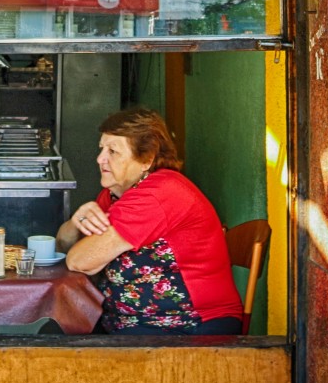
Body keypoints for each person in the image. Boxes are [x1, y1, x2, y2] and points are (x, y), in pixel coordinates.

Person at [57, 107, 243, 335]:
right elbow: (64, 248)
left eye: (112, 151)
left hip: (186, 325)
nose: (100, 159)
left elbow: (81, 261)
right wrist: (77, 221)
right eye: (101, 149)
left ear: (146, 159)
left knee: (56, 343)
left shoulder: (159, 193)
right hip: (131, 324)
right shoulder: (115, 194)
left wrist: (79, 247)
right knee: (54, 333)